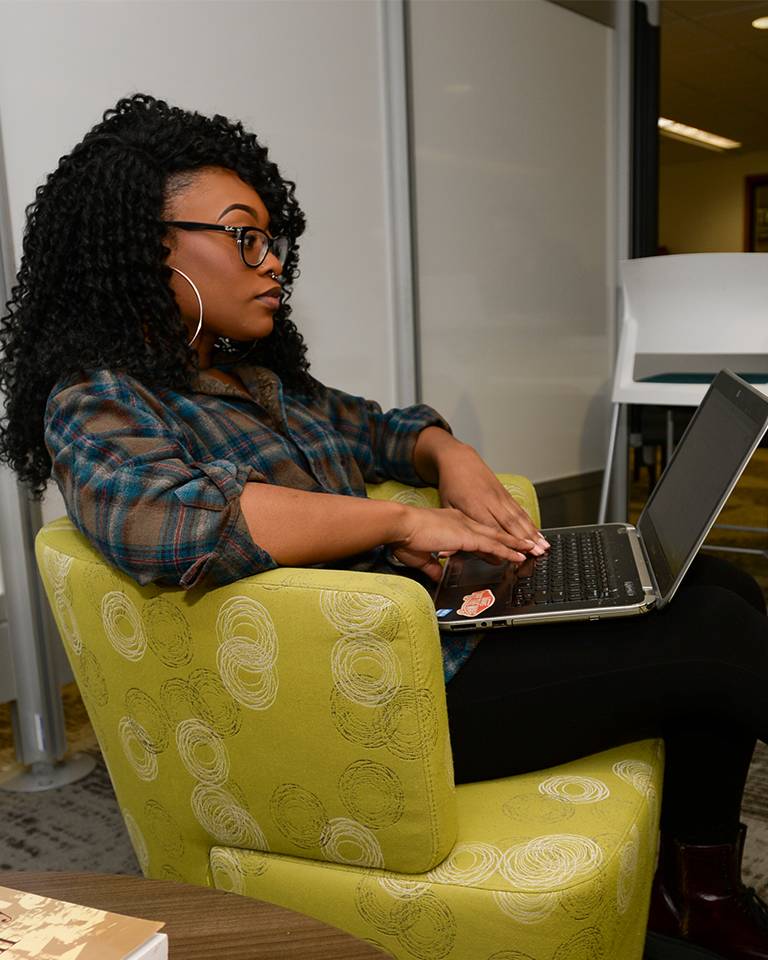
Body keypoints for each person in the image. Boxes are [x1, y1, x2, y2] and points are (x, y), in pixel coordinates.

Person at [0, 93, 766, 960]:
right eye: (245, 236)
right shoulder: (95, 398)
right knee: (715, 641)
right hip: (362, 703)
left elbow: (383, 425)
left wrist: (451, 453)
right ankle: (699, 902)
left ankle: (697, 897)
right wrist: (404, 518)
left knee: (722, 587)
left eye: (272, 240)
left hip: (430, 635)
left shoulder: (258, 379)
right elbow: (175, 522)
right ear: (150, 246)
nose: (272, 264)